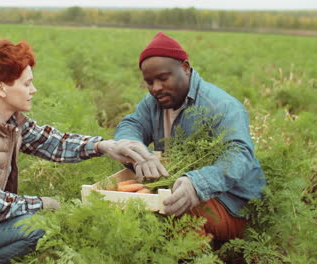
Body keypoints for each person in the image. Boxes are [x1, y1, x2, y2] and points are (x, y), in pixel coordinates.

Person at [0, 39, 163, 264]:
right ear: (1, 88)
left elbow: (51, 143)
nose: (34, 90)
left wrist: (104, 146)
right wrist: (46, 204)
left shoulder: (8, 118)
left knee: (40, 219)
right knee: (42, 225)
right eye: (27, 84)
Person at [114, 32, 265, 242]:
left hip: (231, 204)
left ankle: (198, 254)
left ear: (185, 68)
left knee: (173, 215)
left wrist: (197, 183)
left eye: (163, 78)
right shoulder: (153, 102)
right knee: (134, 206)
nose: (155, 88)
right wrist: (131, 145)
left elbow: (240, 155)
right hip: (183, 188)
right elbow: (133, 123)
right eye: (149, 82)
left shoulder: (221, 106)